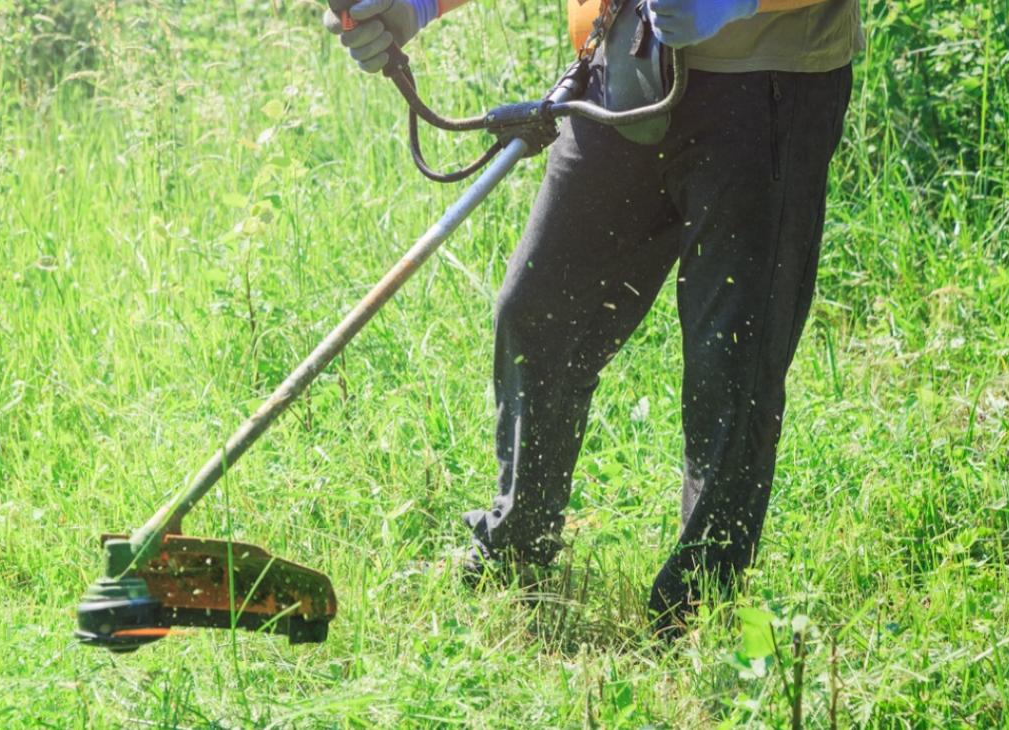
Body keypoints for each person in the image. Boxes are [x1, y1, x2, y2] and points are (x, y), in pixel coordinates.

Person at [325, 0, 862, 635]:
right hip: (622, 71)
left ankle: (695, 615)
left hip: (770, 85)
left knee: (733, 363)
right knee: (539, 315)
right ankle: (516, 552)